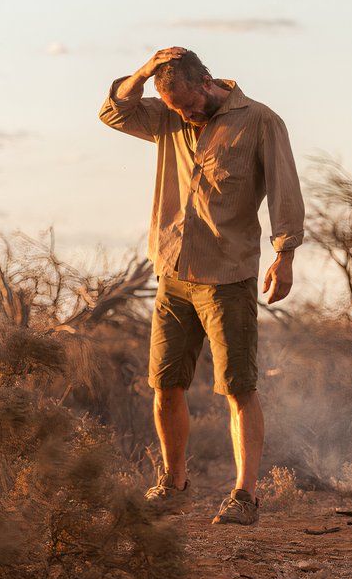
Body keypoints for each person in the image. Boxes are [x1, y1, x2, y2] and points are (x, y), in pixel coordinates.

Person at [99, 47, 304, 525]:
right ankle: (173, 485)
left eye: (188, 105)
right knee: (165, 384)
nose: (184, 115)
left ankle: (244, 498)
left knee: (238, 387)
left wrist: (285, 254)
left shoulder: (260, 121)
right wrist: (146, 70)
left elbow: (284, 189)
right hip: (172, 273)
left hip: (227, 276)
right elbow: (113, 111)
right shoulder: (166, 118)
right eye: (174, 108)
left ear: (207, 81)